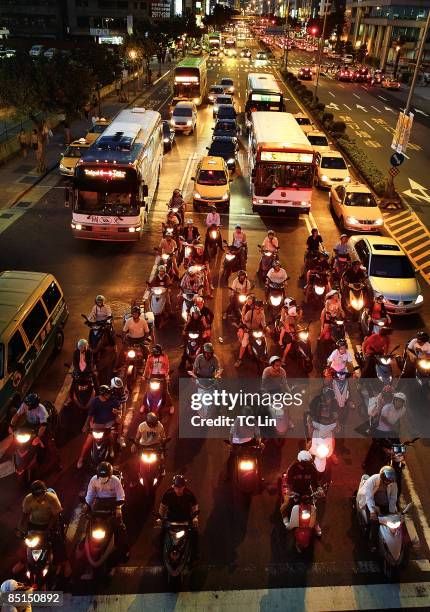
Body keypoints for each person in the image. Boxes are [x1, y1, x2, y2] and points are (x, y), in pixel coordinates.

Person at [15, 480, 69, 577]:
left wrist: (49, 528)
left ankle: (65, 563)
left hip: (49, 523)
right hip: (33, 524)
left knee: (57, 541)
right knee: (24, 542)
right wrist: (20, 528)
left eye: (42, 495)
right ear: (33, 494)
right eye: (37, 496)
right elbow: (24, 515)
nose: (40, 498)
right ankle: (22, 562)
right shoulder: (28, 499)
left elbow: (56, 516)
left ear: (45, 492)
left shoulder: (52, 498)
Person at [84, 462, 128, 562]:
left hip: (113, 502)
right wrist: (86, 505)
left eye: (105, 477)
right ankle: (86, 542)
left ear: (110, 475)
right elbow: (90, 494)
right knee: (90, 522)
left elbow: (120, 495)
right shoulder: (94, 480)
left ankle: (124, 550)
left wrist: (118, 509)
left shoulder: (115, 481)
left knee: (120, 526)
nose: (103, 479)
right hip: (99, 501)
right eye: (101, 477)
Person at [77, 385, 120, 469]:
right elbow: (90, 415)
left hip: (109, 422)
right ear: (102, 394)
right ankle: (81, 458)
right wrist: (86, 425)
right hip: (98, 423)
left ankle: (111, 449)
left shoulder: (112, 400)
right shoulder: (95, 401)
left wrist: (117, 412)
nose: (109, 396)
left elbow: (118, 409)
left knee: (110, 436)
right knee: (88, 440)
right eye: (107, 394)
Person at [356, 465, 398, 550]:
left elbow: (393, 499)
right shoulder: (373, 480)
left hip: (385, 504)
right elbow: (369, 497)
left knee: (393, 522)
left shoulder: (393, 484)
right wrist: (372, 511)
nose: (388, 483)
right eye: (386, 481)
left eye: (390, 481)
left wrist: (392, 512)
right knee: (374, 523)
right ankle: (372, 542)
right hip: (372, 504)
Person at [280, 450, 322, 535]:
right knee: (287, 504)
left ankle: (315, 524)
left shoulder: (312, 468)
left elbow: (315, 481)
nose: (306, 464)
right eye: (304, 462)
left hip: (306, 490)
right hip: (295, 491)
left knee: (313, 507)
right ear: (299, 461)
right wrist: (290, 491)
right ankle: (285, 517)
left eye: (308, 462)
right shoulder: (293, 468)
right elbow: (289, 482)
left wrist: (319, 489)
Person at [235, 300, 270, 368]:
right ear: (254, 307)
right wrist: (245, 327)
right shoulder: (249, 313)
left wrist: (266, 328)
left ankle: (264, 357)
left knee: (264, 341)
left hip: (257, 330)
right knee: (244, 343)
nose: (259, 310)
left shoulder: (262, 314)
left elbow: (263, 323)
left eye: (260, 308)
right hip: (249, 331)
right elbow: (244, 321)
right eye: (257, 308)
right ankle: (239, 359)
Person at [279, 299, 300, 363]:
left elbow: (297, 321)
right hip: (284, 323)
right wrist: (291, 334)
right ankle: (283, 358)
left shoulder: (294, 312)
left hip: (291, 325)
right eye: (291, 305)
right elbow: (284, 322)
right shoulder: (284, 310)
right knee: (289, 345)